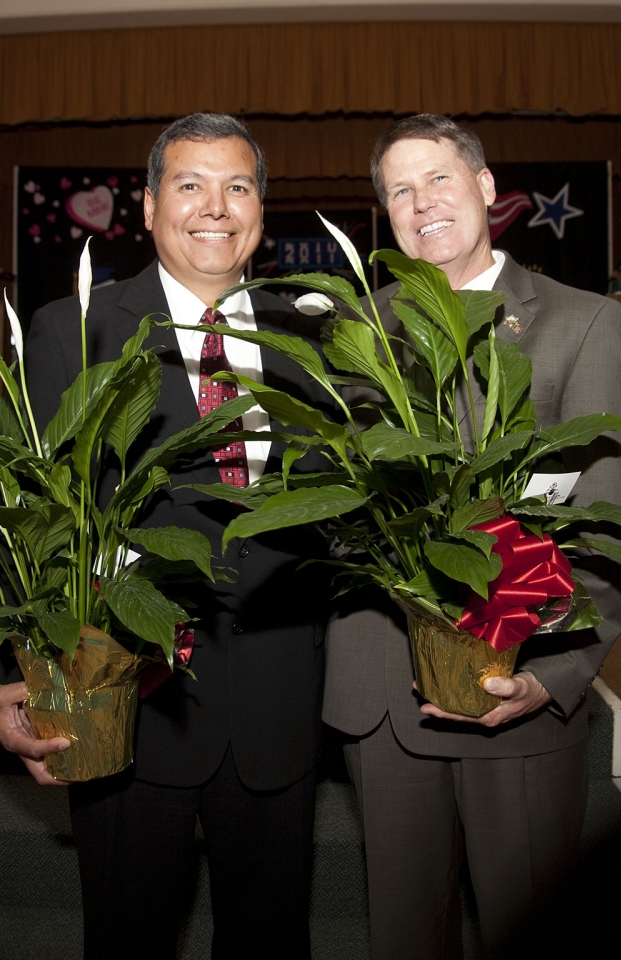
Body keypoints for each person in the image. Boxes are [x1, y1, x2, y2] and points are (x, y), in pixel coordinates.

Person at [0, 113, 333, 959]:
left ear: (262, 206)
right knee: (127, 937)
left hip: (279, 706)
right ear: (148, 207)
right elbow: (21, 514)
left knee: (272, 941)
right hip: (125, 707)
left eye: (238, 186)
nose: (214, 207)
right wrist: (11, 673)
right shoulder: (72, 329)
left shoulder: (314, 333)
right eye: (189, 185)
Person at [322, 114, 621, 960]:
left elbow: (608, 520)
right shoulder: (356, 335)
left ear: (487, 186)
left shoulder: (582, 323)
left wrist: (558, 672)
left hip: (518, 687)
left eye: (438, 179)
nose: (421, 204)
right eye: (399, 191)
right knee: (403, 933)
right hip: (382, 694)